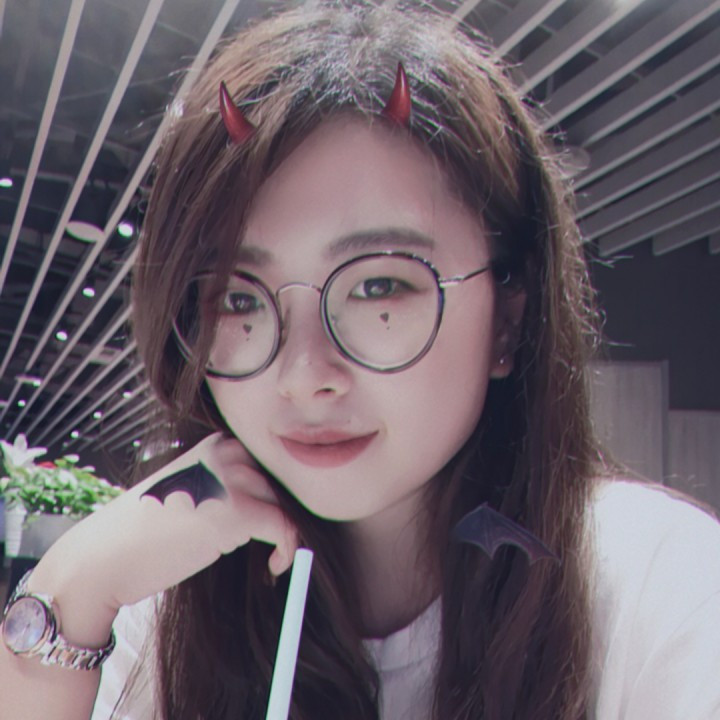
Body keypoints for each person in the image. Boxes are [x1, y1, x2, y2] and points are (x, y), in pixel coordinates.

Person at [2, 2, 720, 719]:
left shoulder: (659, 591)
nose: (303, 376)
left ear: (509, 316)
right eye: (236, 299)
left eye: (379, 287)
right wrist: (70, 589)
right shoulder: (170, 598)